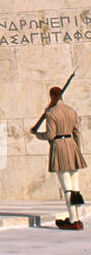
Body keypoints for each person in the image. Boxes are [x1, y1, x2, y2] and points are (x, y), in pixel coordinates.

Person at [32, 85, 87, 230]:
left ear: (51, 97)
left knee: (67, 188)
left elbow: (50, 135)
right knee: (76, 187)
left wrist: (38, 135)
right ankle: (77, 218)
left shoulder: (51, 113)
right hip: (72, 146)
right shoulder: (71, 111)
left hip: (60, 146)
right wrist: (77, 150)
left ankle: (73, 220)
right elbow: (77, 133)